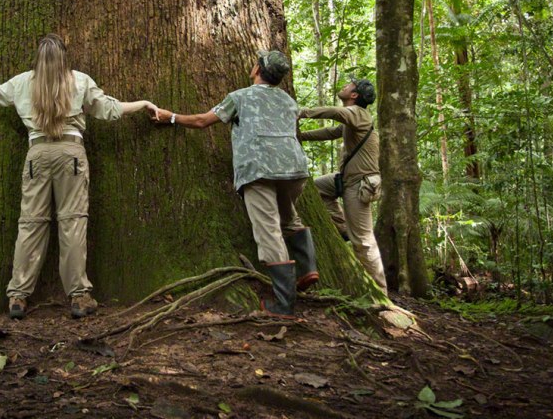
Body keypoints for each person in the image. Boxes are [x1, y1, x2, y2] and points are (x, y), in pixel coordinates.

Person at [0, 34, 157, 320]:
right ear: (64, 57)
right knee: (72, 222)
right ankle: (79, 296)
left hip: (37, 154)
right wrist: (143, 103)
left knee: (31, 223)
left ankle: (18, 296)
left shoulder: (22, 82)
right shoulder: (80, 80)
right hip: (70, 154)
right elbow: (109, 109)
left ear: (38, 58)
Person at [152, 50, 317, 318]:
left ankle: (284, 304)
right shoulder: (289, 101)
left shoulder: (240, 97)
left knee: (269, 231)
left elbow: (202, 121)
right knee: (289, 217)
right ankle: (308, 269)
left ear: (257, 70)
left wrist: (170, 117)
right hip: (294, 169)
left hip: (259, 170)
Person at [297, 77, 387, 292]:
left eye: (349, 86)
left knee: (363, 241)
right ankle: (343, 228)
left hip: (360, 184)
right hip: (346, 179)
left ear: (354, 95)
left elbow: (336, 113)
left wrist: (302, 112)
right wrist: (299, 136)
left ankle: (380, 292)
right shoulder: (352, 120)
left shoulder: (358, 113)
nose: (344, 87)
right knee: (316, 188)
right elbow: (331, 132)